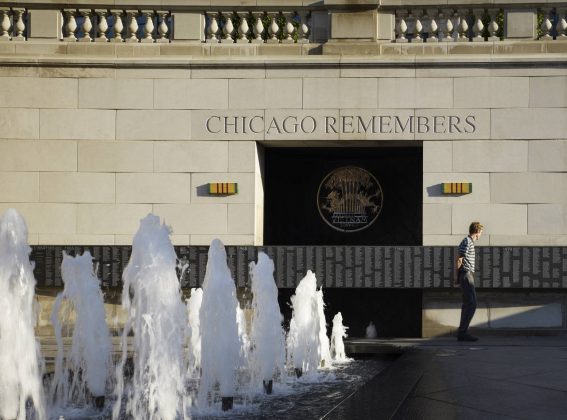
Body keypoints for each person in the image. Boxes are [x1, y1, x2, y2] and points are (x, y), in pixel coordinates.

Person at [455, 222, 483, 342]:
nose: (481, 235)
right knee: (471, 303)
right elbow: (460, 259)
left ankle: (462, 331)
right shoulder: (467, 241)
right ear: (477, 232)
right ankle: (463, 332)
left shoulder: (469, 242)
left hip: (466, 275)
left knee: (468, 304)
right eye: (481, 233)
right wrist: (457, 277)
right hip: (466, 275)